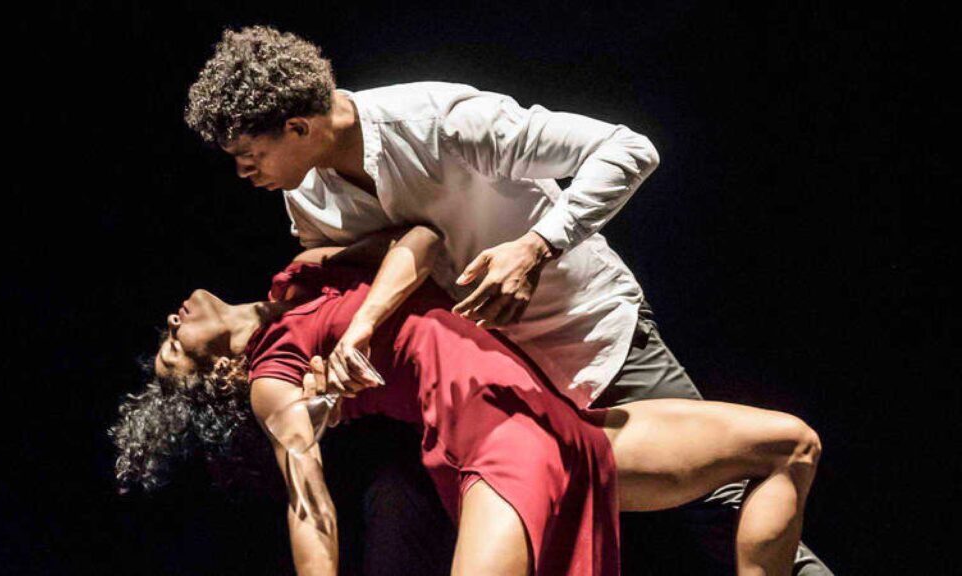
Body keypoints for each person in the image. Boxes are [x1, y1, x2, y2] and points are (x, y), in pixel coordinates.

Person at [183, 26, 833, 574]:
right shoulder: (307, 199)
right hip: (492, 389)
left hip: (587, 338)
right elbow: (395, 265)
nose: (244, 172)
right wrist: (341, 357)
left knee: (719, 513)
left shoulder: (441, 122)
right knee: (403, 521)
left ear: (298, 126)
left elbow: (629, 149)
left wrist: (537, 245)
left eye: (250, 153)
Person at [113, 226, 821, 576]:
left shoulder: (304, 276)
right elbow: (309, 501)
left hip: (567, 427)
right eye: (174, 348)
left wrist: (362, 322)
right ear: (222, 373)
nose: (171, 322)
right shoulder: (274, 372)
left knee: (791, 445)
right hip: (500, 451)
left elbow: (423, 238)